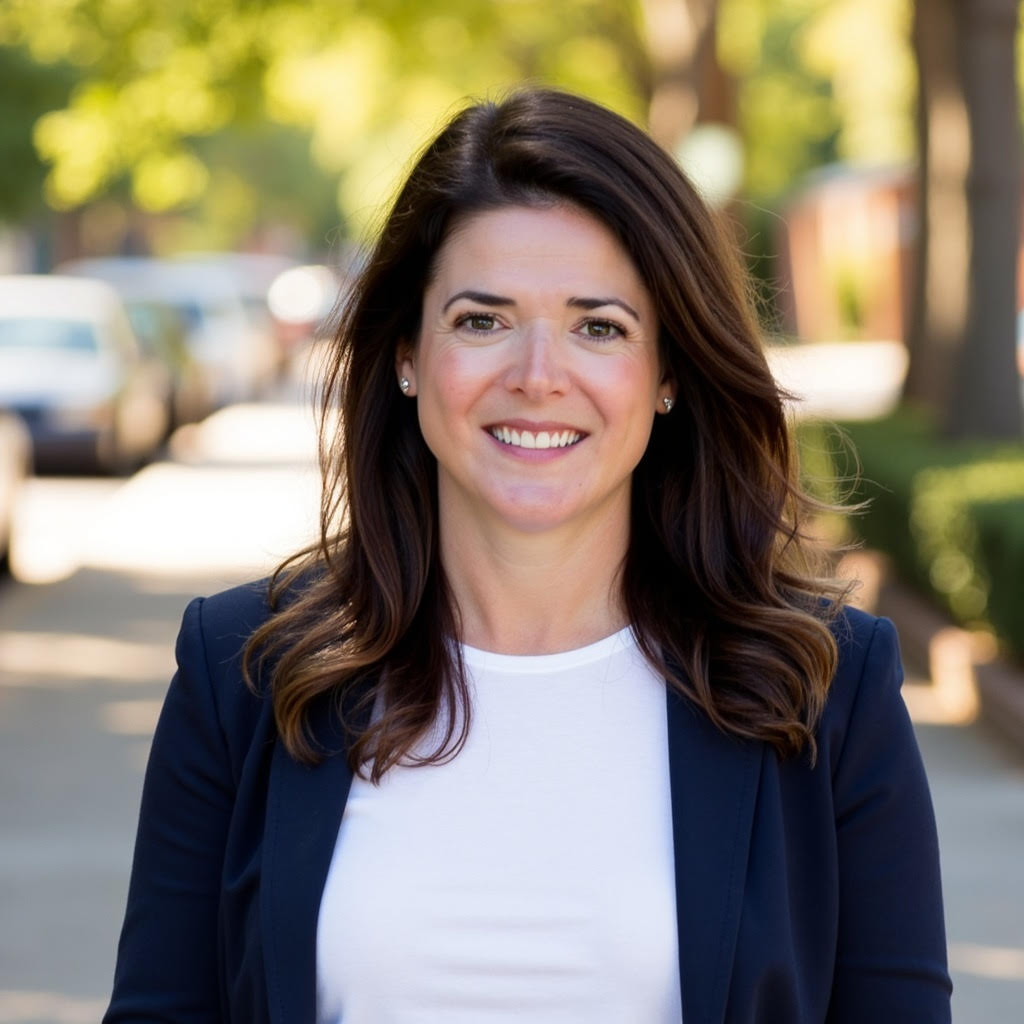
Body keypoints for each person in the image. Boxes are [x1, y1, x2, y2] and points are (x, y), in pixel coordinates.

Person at [104, 88, 952, 1023]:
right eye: (482, 320)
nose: (538, 375)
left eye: (600, 326)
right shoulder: (245, 672)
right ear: (407, 355)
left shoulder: (825, 685)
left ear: (667, 371)